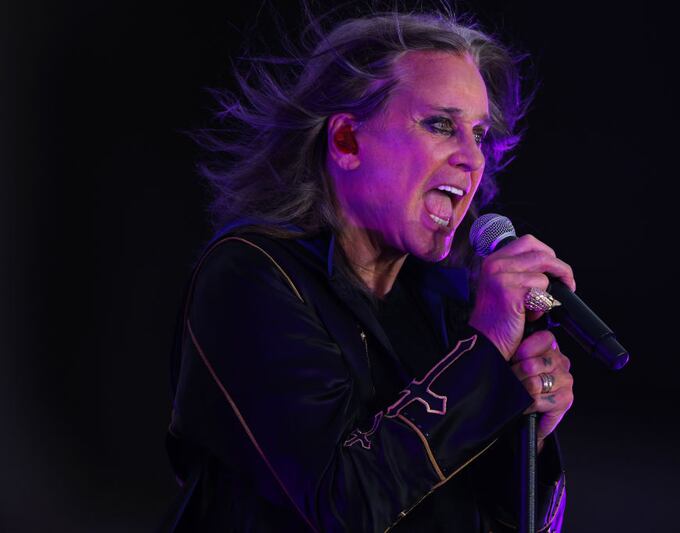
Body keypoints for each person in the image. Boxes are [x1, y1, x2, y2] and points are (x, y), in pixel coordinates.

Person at [163, 9, 575, 533]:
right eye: (441, 125)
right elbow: (343, 507)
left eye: (479, 134)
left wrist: (526, 435)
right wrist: (486, 351)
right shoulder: (250, 278)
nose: (473, 159)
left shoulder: (447, 305)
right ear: (346, 142)